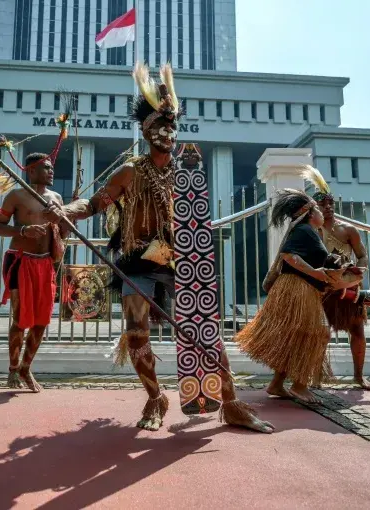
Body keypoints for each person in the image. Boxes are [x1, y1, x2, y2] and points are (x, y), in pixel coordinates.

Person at [47, 62, 274, 434]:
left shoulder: (186, 171)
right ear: (145, 130)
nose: (167, 132)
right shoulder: (130, 171)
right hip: (137, 260)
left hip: (179, 260)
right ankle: (155, 397)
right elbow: (92, 204)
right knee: (136, 331)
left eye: (172, 125)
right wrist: (63, 209)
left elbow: (197, 220)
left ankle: (231, 403)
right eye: (159, 126)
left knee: (204, 328)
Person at [235, 187, 343, 404]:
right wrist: (316, 273)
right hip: (297, 288)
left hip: (299, 288)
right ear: (310, 212)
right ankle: (299, 385)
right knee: (317, 333)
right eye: (318, 208)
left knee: (294, 336)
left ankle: (276, 384)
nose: (323, 212)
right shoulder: (305, 230)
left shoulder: (309, 232)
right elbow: (289, 256)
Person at [0, 153, 67, 393]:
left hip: (45, 264)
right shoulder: (15, 195)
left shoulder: (56, 197)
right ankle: (13, 368)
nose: (51, 171)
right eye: (46, 168)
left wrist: (59, 219)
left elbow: (64, 234)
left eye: (52, 168)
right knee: (19, 318)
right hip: (20, 261)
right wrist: (23, 230)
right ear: (31, 171)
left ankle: (26, 367)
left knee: (42, 320)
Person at [315, 192, 370, 390]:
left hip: (348, 287)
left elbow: (362, 255)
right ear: (315, 207)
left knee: (357, 331)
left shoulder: (348, 230)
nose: (328, 207)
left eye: (331, 203)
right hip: (323, 287)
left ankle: (359, 375)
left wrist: (356, 273)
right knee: (321, 333)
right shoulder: (311, 230)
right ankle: (316, 377)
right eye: (322, 204)